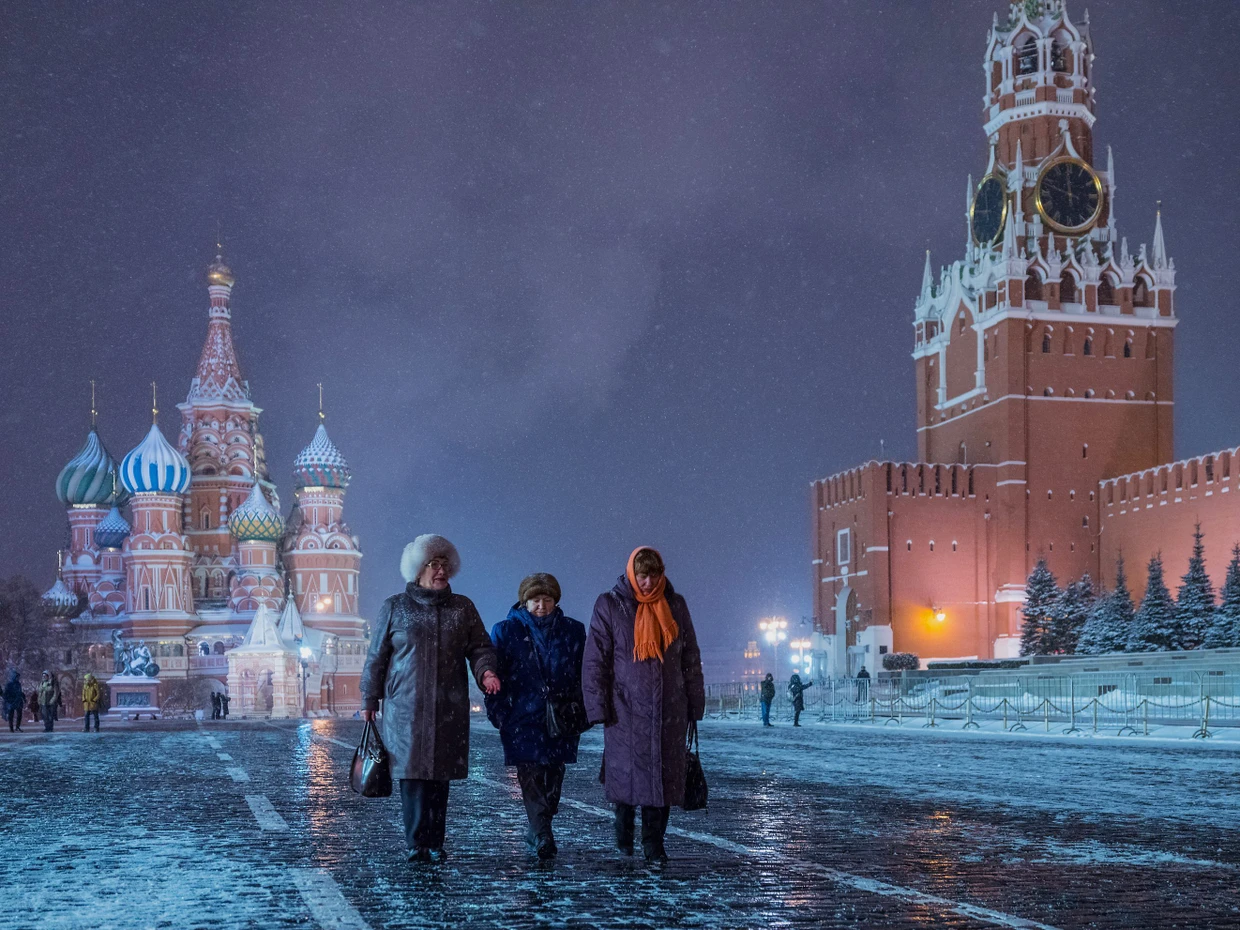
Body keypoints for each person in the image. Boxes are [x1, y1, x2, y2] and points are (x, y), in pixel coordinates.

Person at [360, 534, 500, 864]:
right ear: (418, 569)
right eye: (434, 564)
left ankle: (435, 842)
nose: (441, 570)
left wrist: (486, 672)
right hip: (405, 708)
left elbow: (480, 647)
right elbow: (377, 656)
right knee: (412, 777)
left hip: (447, 706)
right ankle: (416, 843)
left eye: (445, 564)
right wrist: (369, 697)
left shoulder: (462, 608)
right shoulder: (395, 607)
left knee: (439, 777)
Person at [583, 546, 705, 863]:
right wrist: (597, 706)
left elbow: (690, 657)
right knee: (626, 777)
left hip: (669, 709)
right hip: (624, 710)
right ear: (631, 574)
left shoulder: (675, 605)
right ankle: (623, 830)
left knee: (662, 779)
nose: (648, 582)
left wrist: (695, 702)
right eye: (642, 575)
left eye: (653, 575)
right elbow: (595, 659)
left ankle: (654, 844)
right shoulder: (610, 605)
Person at [486, 573, 588, 860]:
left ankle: (540, 825)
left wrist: (583, 708)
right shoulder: (505, 631)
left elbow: (583, 672)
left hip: (562, 715)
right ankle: (541, 832)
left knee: (554, 775)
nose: (542, 606)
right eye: (535, 600)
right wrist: (499, 712)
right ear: (524, 602)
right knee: (530, 773)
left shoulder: (572, 630)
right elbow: (495, 672)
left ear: (556, 601)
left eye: (547, 600)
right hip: (521, 715)